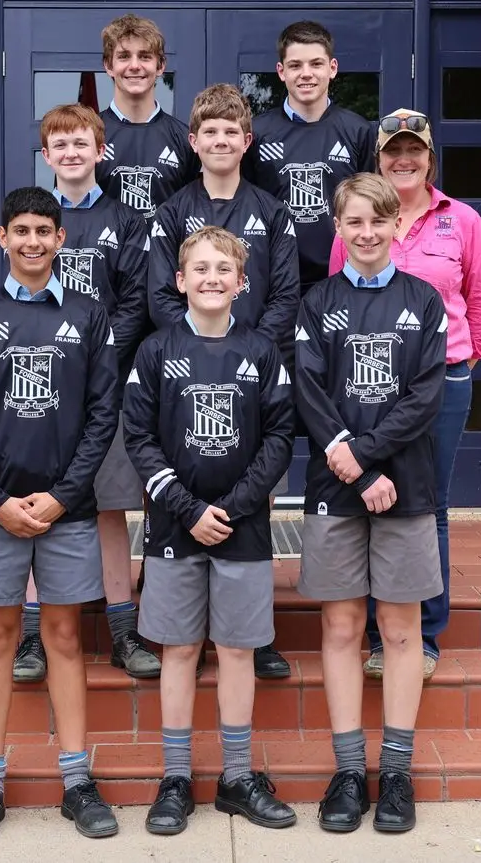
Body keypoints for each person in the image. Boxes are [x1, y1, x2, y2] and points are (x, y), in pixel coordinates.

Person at [0, 188, 121, 843]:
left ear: (60, 237)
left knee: (66, 638)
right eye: (20, 230)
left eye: (43, 230)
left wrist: (62, 494)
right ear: (1, 237)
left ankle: (76, 780)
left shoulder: (88, 315)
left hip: (67, 509)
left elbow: (103, 415)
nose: (32, 241)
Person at [125, 226, 298, 836]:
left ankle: (236, 777)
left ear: (242, 283)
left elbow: (280, 435)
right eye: (199, 268)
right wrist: (183, 504)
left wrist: (237, 504)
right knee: (177, 650)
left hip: (243, 527)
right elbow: (139, 439)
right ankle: (175, 778)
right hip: (174, 525)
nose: (211, 278)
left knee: (235, 651)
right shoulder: (155, 351)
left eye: (224, 269)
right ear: (179, 280)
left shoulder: (262, 351)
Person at [297, 173, 447, 835]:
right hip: (337, 486)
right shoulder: (316, 301)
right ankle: (348, 771)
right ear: (338, 225)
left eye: (376, 222)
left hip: (405, 485)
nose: (364, 233)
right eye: (352, 221)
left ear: (395, 226)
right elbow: (307, 389)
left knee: (399, 628)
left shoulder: (423, 300)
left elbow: (423, 396)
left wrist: (371, 456)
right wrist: (353, 466)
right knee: (338, 629)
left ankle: (396, 772)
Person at [328, 110, 481, 679]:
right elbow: (336, 297)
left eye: (414, 150)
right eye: (393, 151)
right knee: (372, 504)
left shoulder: (462, 220)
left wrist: (468, 355)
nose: (404, 160)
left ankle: (424, 632)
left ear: (430, 156)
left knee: (428, 504)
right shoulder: (362, 220)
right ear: (378, 157)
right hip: (369, 382)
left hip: (441, 383)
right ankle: (381, 634)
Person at [146, 82, 300, 680]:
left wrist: (248, 348)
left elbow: (286, 291)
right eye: (209, 131)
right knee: (181, 469)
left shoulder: (272, 211)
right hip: (183, 368)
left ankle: (251, 634)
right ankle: (172, 620)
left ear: (246, 140)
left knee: (251, 470)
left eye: (230, 131)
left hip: (254, 370)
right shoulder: (171, 212)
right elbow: (162, 292)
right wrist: (199, 345)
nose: (219, 140)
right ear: (193, 141)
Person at [10, 104, 162, 683]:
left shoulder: (127, 220)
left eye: (82, 143)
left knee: (107, 507)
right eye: (60, 145)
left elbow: (135, 302)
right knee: (37, 506)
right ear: (45, 155)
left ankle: (122, 627)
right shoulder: (31, 216)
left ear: (102, 152)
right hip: (40, 387)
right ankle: (31, 633)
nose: (71, 154)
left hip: (105, 384)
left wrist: (93, 354)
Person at [243, 20, 376, 297]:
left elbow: (369, 209)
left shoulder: (358, 131)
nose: (306, 74)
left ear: (332, 68)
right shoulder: (256, 134)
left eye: (316, 64)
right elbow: (245, 204)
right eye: (295, 65)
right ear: (281, 72)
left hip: (341, 281)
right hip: (273, 282)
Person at [96, 14, 199, 218]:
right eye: (124, 56)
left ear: (161, 66)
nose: (135, 66)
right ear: (108, 65)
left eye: (144, 56)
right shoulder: (88, 135)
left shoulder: (184, 139)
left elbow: (196, 212)